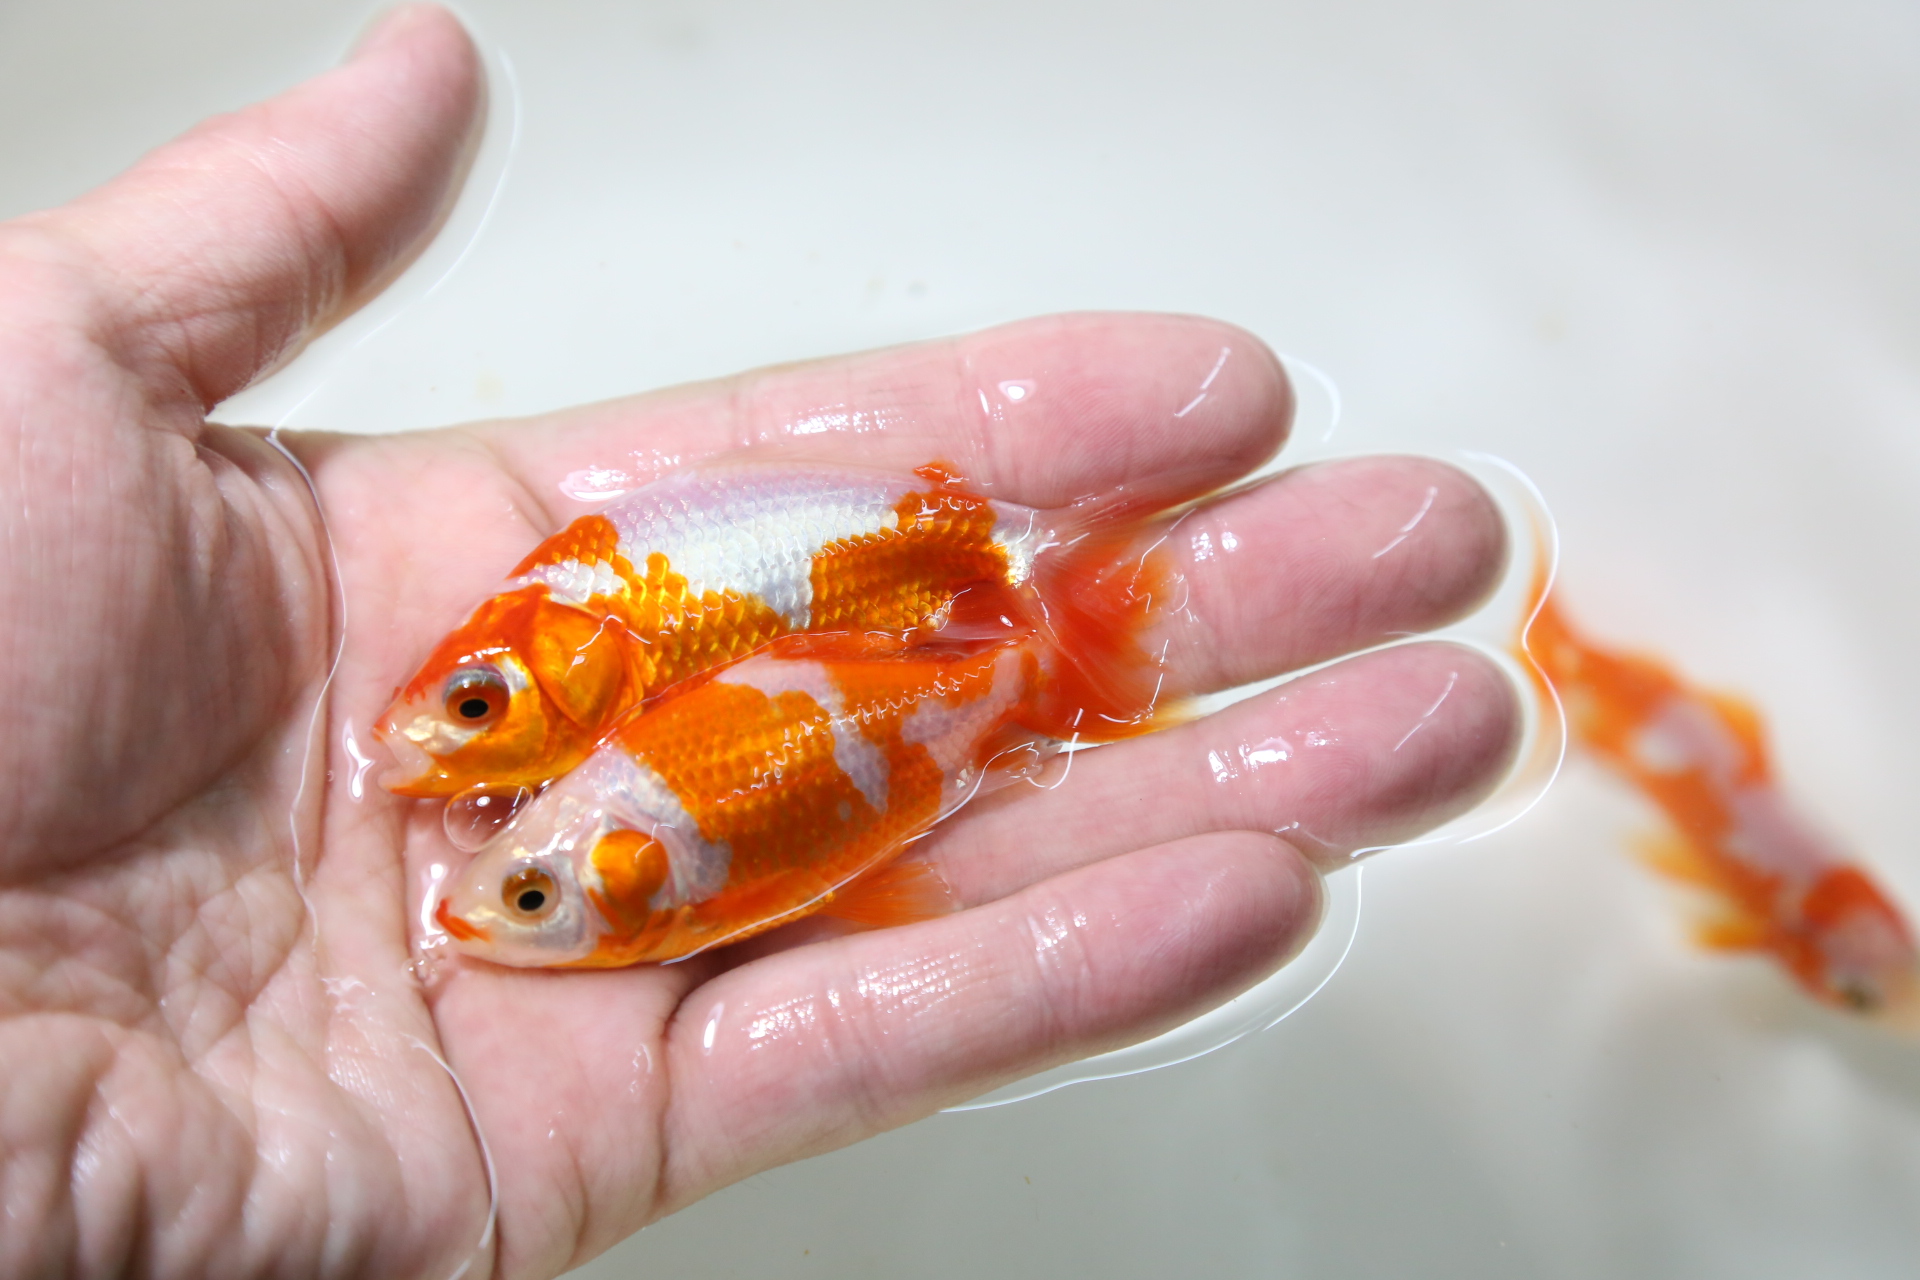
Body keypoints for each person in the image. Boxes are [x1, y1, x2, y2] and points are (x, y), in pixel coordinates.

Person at [0, 6, 1519, 1276]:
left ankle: (1043, 627)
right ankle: (1039, 648)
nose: (455, 766)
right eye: (524, 865)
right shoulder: (615, 745)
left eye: (474, 711)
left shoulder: (628, 695)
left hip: (866, 603)